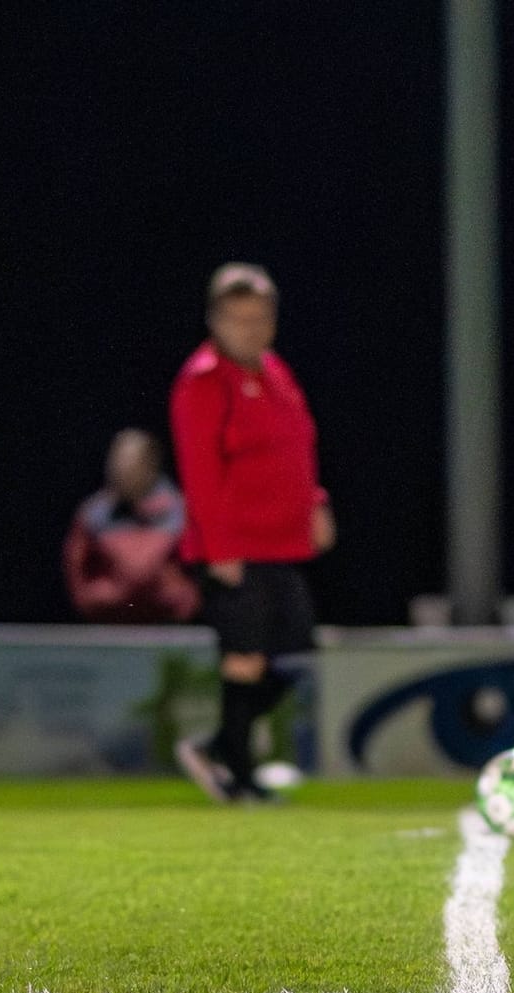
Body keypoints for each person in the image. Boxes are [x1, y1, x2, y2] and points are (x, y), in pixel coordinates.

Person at [169, 263, 334, 801]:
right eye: (238, 319)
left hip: (280, 543)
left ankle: (218, 746)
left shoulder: (275, 372)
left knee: (293, 655)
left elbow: (297, 444)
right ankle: (238, 775)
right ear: (216, 321)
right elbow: (200, 472)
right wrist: (220, 549)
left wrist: (315, 503)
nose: (250, 329)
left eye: (260, 318)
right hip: (235, 549)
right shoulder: (203, 380)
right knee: (245, 658)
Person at [63, 428, 199, 623]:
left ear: (151, 464)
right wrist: (90, 600)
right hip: (109, 621)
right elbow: (75, 563)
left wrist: (186, 601)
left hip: (168, 623)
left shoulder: (180, 510)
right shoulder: (94, 513)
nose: (122, 469)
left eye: (132, 463)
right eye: (118, 462)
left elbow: (198, 568)